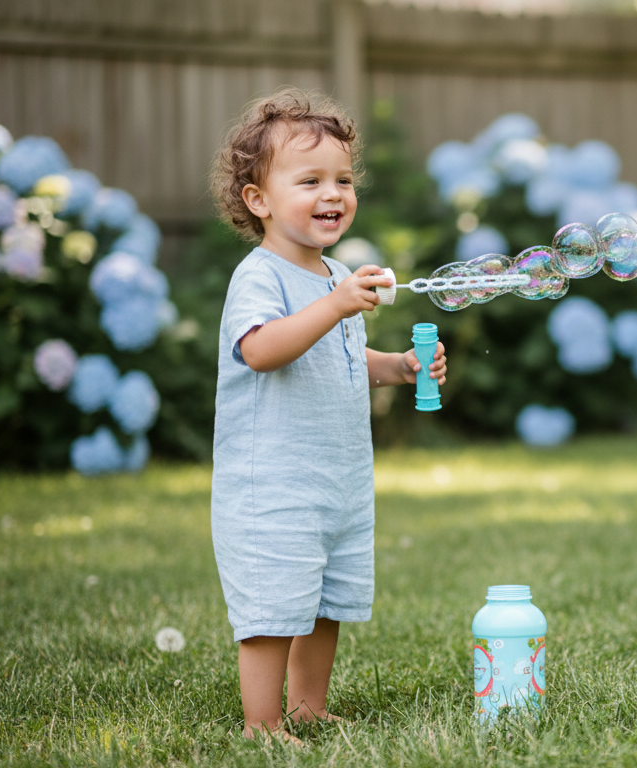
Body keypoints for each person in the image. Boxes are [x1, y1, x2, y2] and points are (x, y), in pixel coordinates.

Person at [208, 87, 445, 745]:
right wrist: (336, 305)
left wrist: (394, 366)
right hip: (272, 485)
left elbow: (337, 352)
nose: (332, 193)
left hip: (335, 480)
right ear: (259, 200)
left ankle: (308, 707)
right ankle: (261, 724)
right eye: (309, 179)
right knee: (274, 609)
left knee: (323, 602)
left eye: (342, 179)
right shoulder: (260, 277)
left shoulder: (333, 273)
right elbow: (261, 349)